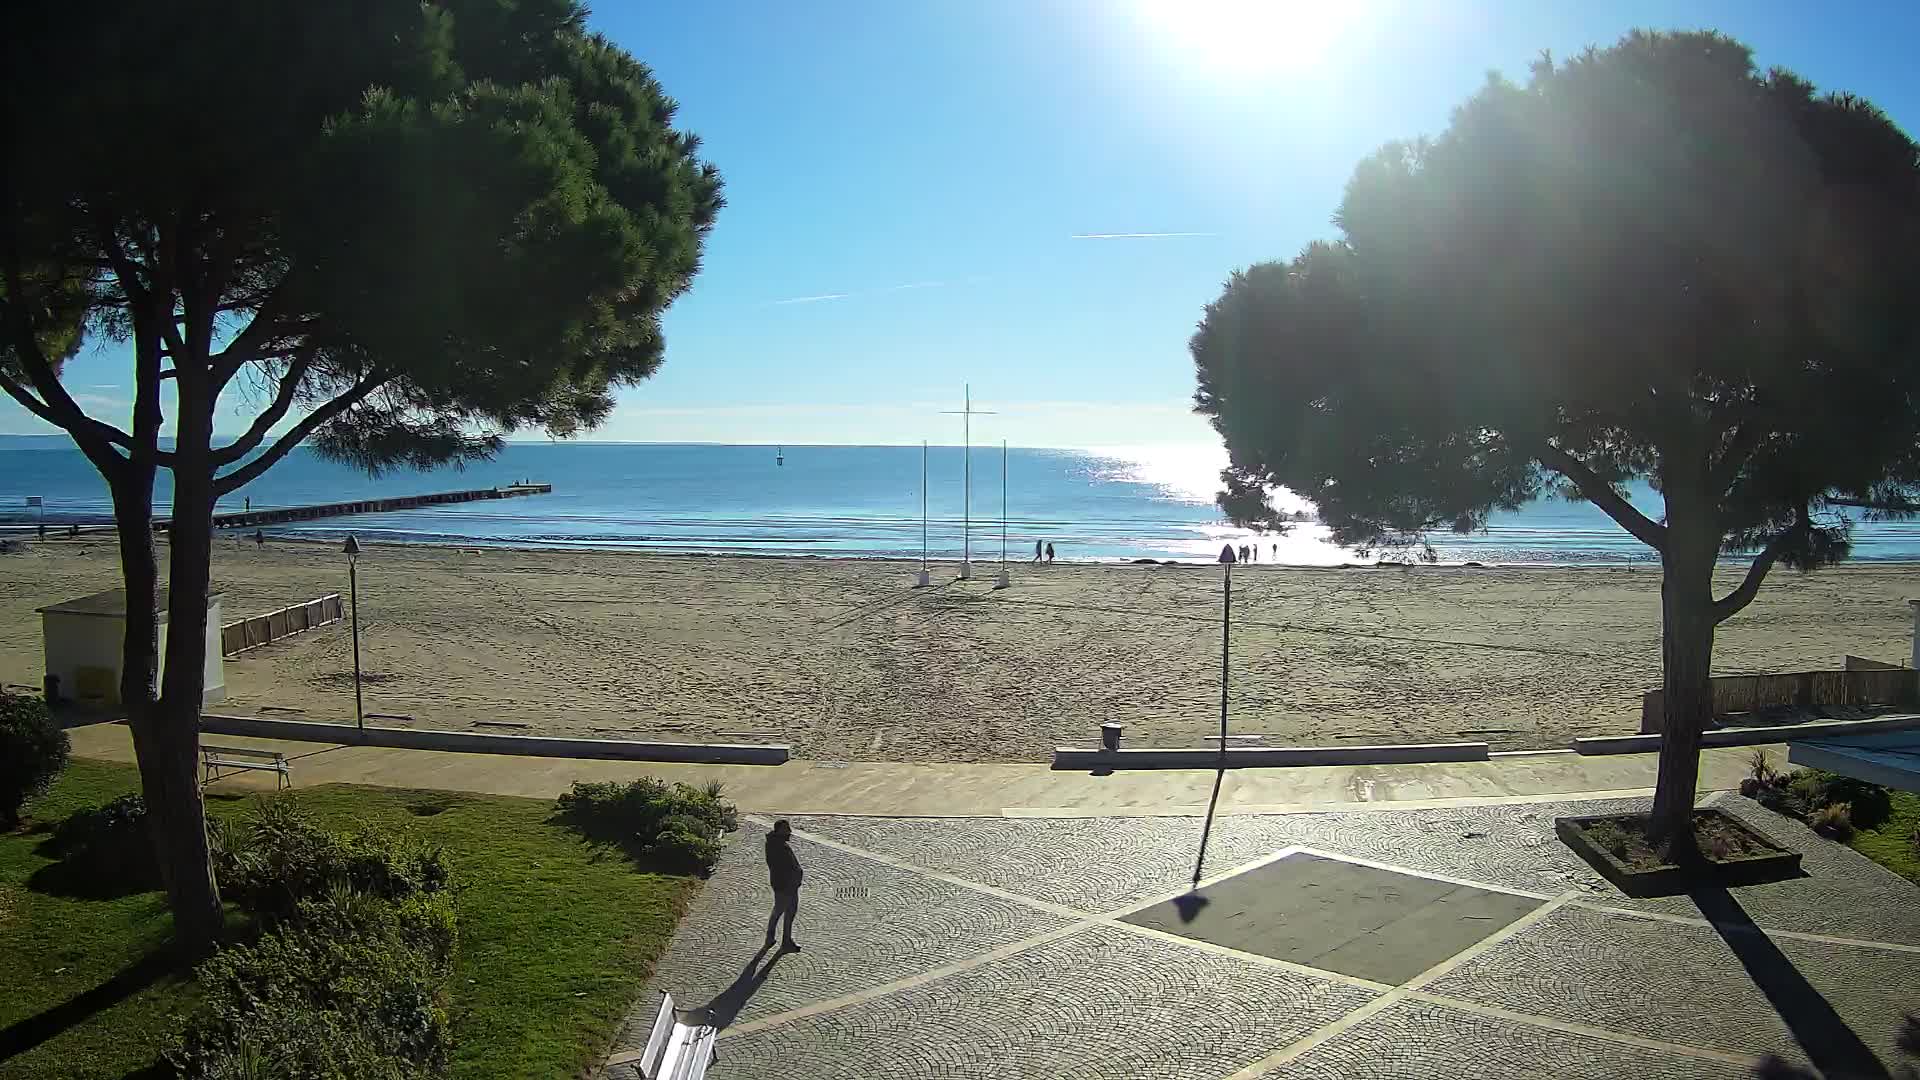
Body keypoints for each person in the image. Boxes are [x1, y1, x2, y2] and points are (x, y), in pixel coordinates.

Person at [765, 819, 802, 951]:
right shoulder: (778, 847)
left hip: (787, 884)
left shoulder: (776, 844)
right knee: (782, 910)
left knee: (785, 911)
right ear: (779, 830)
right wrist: (792, 880)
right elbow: (781, 867)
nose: (790, 832)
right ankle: (782, 940)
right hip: (785, 885)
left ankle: (777, 938)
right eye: (787, 829)